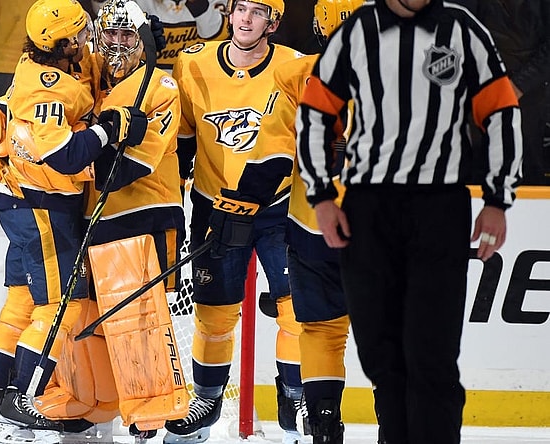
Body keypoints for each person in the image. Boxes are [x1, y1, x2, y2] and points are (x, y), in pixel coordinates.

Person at [295, 0, 522, 443]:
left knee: (431, 355)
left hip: (438, 208)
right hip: (369, 208)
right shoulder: (357, 31)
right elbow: (316, 112)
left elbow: (501, 111)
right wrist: (322, 195)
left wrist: (498, 199)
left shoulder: (460, 29)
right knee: (381, 356)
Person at [0, 0, 149, 443]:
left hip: (24, 202)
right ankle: (20, 404)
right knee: (60, 305)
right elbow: (65, 156)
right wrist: (111, 127)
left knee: (20, 308)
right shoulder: (47, 90)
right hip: (41, 205)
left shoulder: (40, 62)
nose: (87, 41)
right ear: (61, 44)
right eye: (80, 35)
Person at [213, 1, 363, 442]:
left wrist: (240, 203)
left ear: (319, 25)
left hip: (312, 227)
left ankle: (321, 420)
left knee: (321, 329)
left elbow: (273, 152)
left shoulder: (299, 75)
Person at [166, 0, 305, 442]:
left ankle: (298, 400)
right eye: (240, 8)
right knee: (214, 313)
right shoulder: (194, 63)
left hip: (279, 208)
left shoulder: (295, 66)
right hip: (215, 207)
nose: (245, 19)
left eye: (257, 12)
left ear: (274, 22)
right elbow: (183, 138)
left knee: (296, 309)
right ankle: (206, 401)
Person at [467, 0, 550, 185]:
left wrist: (517, 86)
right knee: (479, 159)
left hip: (531, 91)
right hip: (483, 83)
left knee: (528, 160)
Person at [90, 0, 229, 71]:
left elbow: (220, 37)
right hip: (146, 85)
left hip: (200, 84)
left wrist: (200, 7)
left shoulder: (224, 4)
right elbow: (103, 11)